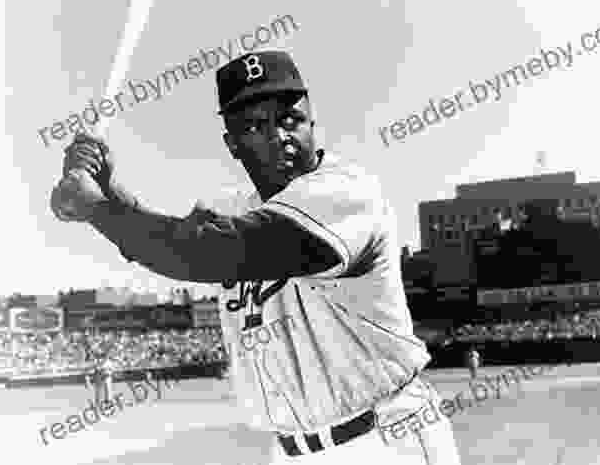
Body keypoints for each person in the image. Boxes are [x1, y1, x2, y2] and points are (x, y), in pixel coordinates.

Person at [51, 50, 462, 465]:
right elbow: (169, 241)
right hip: (290, 450)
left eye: (290, 119)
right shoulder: (232, 210)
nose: (279, 135)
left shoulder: (346, 194)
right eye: (255, 126)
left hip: (383, 441)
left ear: (312, 123)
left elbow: (204, 250)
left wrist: (93, 207)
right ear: (232, 144)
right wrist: (106, 190)